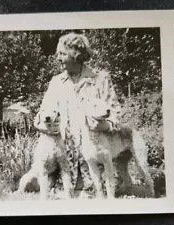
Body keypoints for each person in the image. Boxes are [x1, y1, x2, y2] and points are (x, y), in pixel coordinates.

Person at [34, 32, 121, 199]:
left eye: (62, 54)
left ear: (76, 54)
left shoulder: (100, 79)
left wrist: (106, 126)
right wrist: (46, 127)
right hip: (65, 161)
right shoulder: (56, 82)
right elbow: (40, 117)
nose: (58, 58)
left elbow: (115, 115)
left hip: (96, 158)